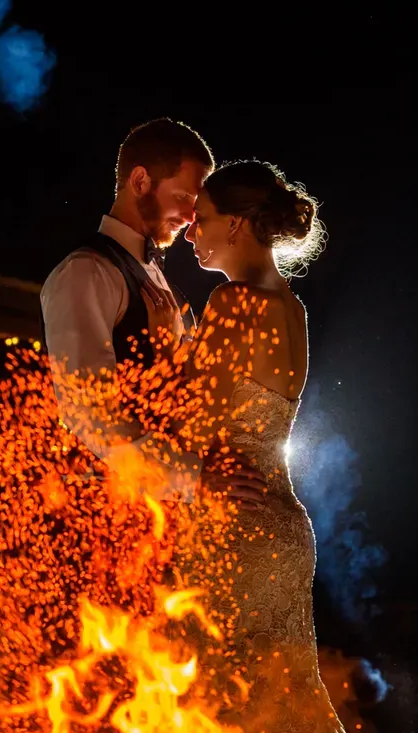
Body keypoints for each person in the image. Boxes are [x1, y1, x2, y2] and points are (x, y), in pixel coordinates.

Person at [142, 159, 346, 733]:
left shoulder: (233, 303)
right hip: (281, 523)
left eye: (202, 219)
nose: (191, 232)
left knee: (220, 717)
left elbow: (191, 419)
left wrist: (165, 344)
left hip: (234, 522)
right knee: (285, 708)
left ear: (236, 225)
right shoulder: (291, 308)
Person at [41, 118, 266, 508]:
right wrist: (192, 479)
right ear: (140, 181)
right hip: (106, 514)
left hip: (167, 515)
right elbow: (88, 412)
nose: (191, 217)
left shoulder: (161, 281)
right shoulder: (85, 272)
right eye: (183, 197)